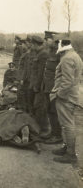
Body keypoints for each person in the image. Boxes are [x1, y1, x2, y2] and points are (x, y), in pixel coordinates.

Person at [50, 34, 83, 164]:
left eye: (56, 43)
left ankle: (70, 154)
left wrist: (59, 95)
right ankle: (66, 148)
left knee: (68, 125)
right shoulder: (74, 55)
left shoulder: (67, 58)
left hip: (66, 97)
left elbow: (67, 81)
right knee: (65, 124)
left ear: (61, 43)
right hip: (71, 95)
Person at [41, 31, 62, 144]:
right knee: (49, 110)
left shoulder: (59, 53)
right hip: (47, 86)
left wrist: (57, 88)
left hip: (54, 87)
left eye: (47, 39)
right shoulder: (49, 52)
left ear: (53, 40)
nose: (45, 41)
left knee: (54, 110)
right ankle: (52, 132)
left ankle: (57, 135)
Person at [31, 35, 50, 138]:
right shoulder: (40, 53)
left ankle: (44, 130)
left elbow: (40, 72)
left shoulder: (43, 54)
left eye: (32, 44)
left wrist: (37, 86)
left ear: (34, 44)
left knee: (40, 107)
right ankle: (40, 128)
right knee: (38, 106)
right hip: (39, 85)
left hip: (41, 86)